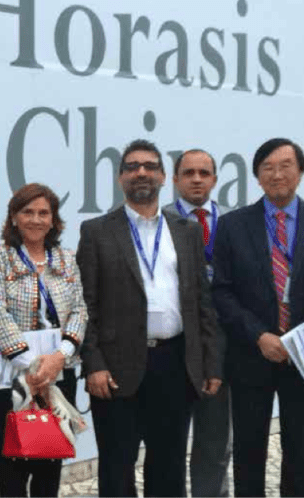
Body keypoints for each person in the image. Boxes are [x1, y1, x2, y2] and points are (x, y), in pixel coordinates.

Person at [77, 139, 221, 497]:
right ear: (120, 178)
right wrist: (93, 364)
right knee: (116, 468)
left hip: (175, 364)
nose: (141, 172)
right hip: (115, 369)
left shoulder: (186, 231)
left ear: (163, 177)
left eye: (150, 166)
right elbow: (84, 305)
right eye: (132, 166)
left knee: (169, 467)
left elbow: (201, 301)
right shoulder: (96, 231)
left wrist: (211, 362)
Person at [212, 137, 304, 497]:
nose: (277, 175)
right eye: (268, 168)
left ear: (300, 172)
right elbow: (221, 291)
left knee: (300, 449)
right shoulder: (232, 225)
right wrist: (259, 335)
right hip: (251, 353)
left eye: (286, 166)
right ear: (257, 176)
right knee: (248, 449)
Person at [0, 183, 87, 497]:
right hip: (13, 374)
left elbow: (79, 309)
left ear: (53, 220)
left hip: (60, 371)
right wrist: (33, 367)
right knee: (13, 467)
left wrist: (59, 357)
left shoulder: (66, 259)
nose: (36, 219)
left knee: (49, 465)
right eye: (28, 212)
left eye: (44, 213)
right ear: (14, 217)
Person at [162, 148, 231, 498]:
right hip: (175, 347)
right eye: (188, 173)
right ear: (175, 180)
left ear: (215, 179)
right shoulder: (157, 222)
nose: (197, 179)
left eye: (204, 173)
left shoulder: (235, 222)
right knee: (168, 442)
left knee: (215, 441)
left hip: (223, 346)